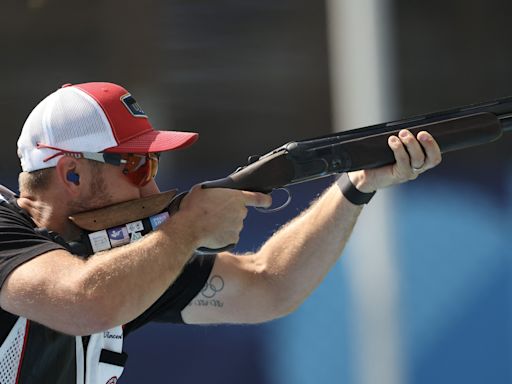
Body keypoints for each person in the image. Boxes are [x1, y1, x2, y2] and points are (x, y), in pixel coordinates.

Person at [0, 82, 441, 383]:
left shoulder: (111, 261)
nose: (151, 186)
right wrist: (187, 228)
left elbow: (270, 284)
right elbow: (86, 303)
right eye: (137, 166)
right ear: (71, 173)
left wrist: (357, 183)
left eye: (153, 165)